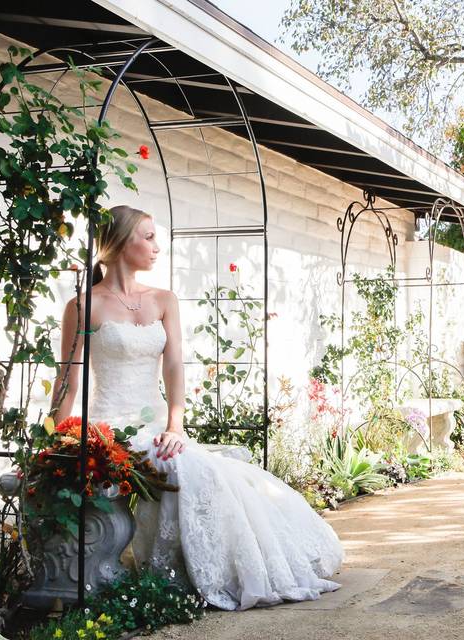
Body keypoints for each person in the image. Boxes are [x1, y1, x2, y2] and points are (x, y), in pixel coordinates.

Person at [51, 205, 344, 610]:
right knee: (187, 467)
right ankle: (174, 573)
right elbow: (69, 379)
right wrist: (58, 437)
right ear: (118, 243)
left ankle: (220, 567)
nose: (157, 247)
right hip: (111, 425)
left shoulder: (164, 300)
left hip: (156, 422)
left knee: (206, 467)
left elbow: (173, 368)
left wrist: (175, 425)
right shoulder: (84, 306)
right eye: (148, 237)